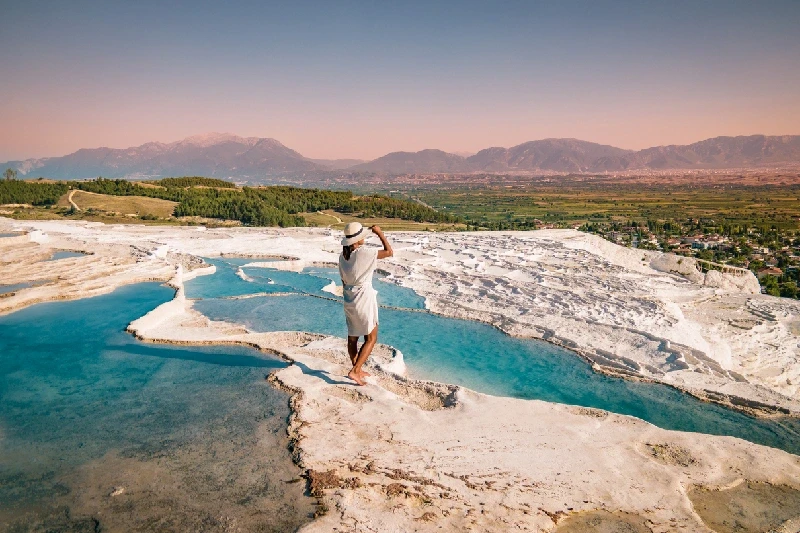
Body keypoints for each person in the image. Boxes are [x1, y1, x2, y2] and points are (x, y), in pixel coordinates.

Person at [338, 222, 393, 385]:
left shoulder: (343, 256)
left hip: (349, 298)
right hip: (364, 297)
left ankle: (357, 368)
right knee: (371, 337)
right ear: (358, 239)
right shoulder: (364, 252)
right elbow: (389, 252)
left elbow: (342, 280)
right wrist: (380, 233)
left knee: (353, 337)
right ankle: (355, 371)